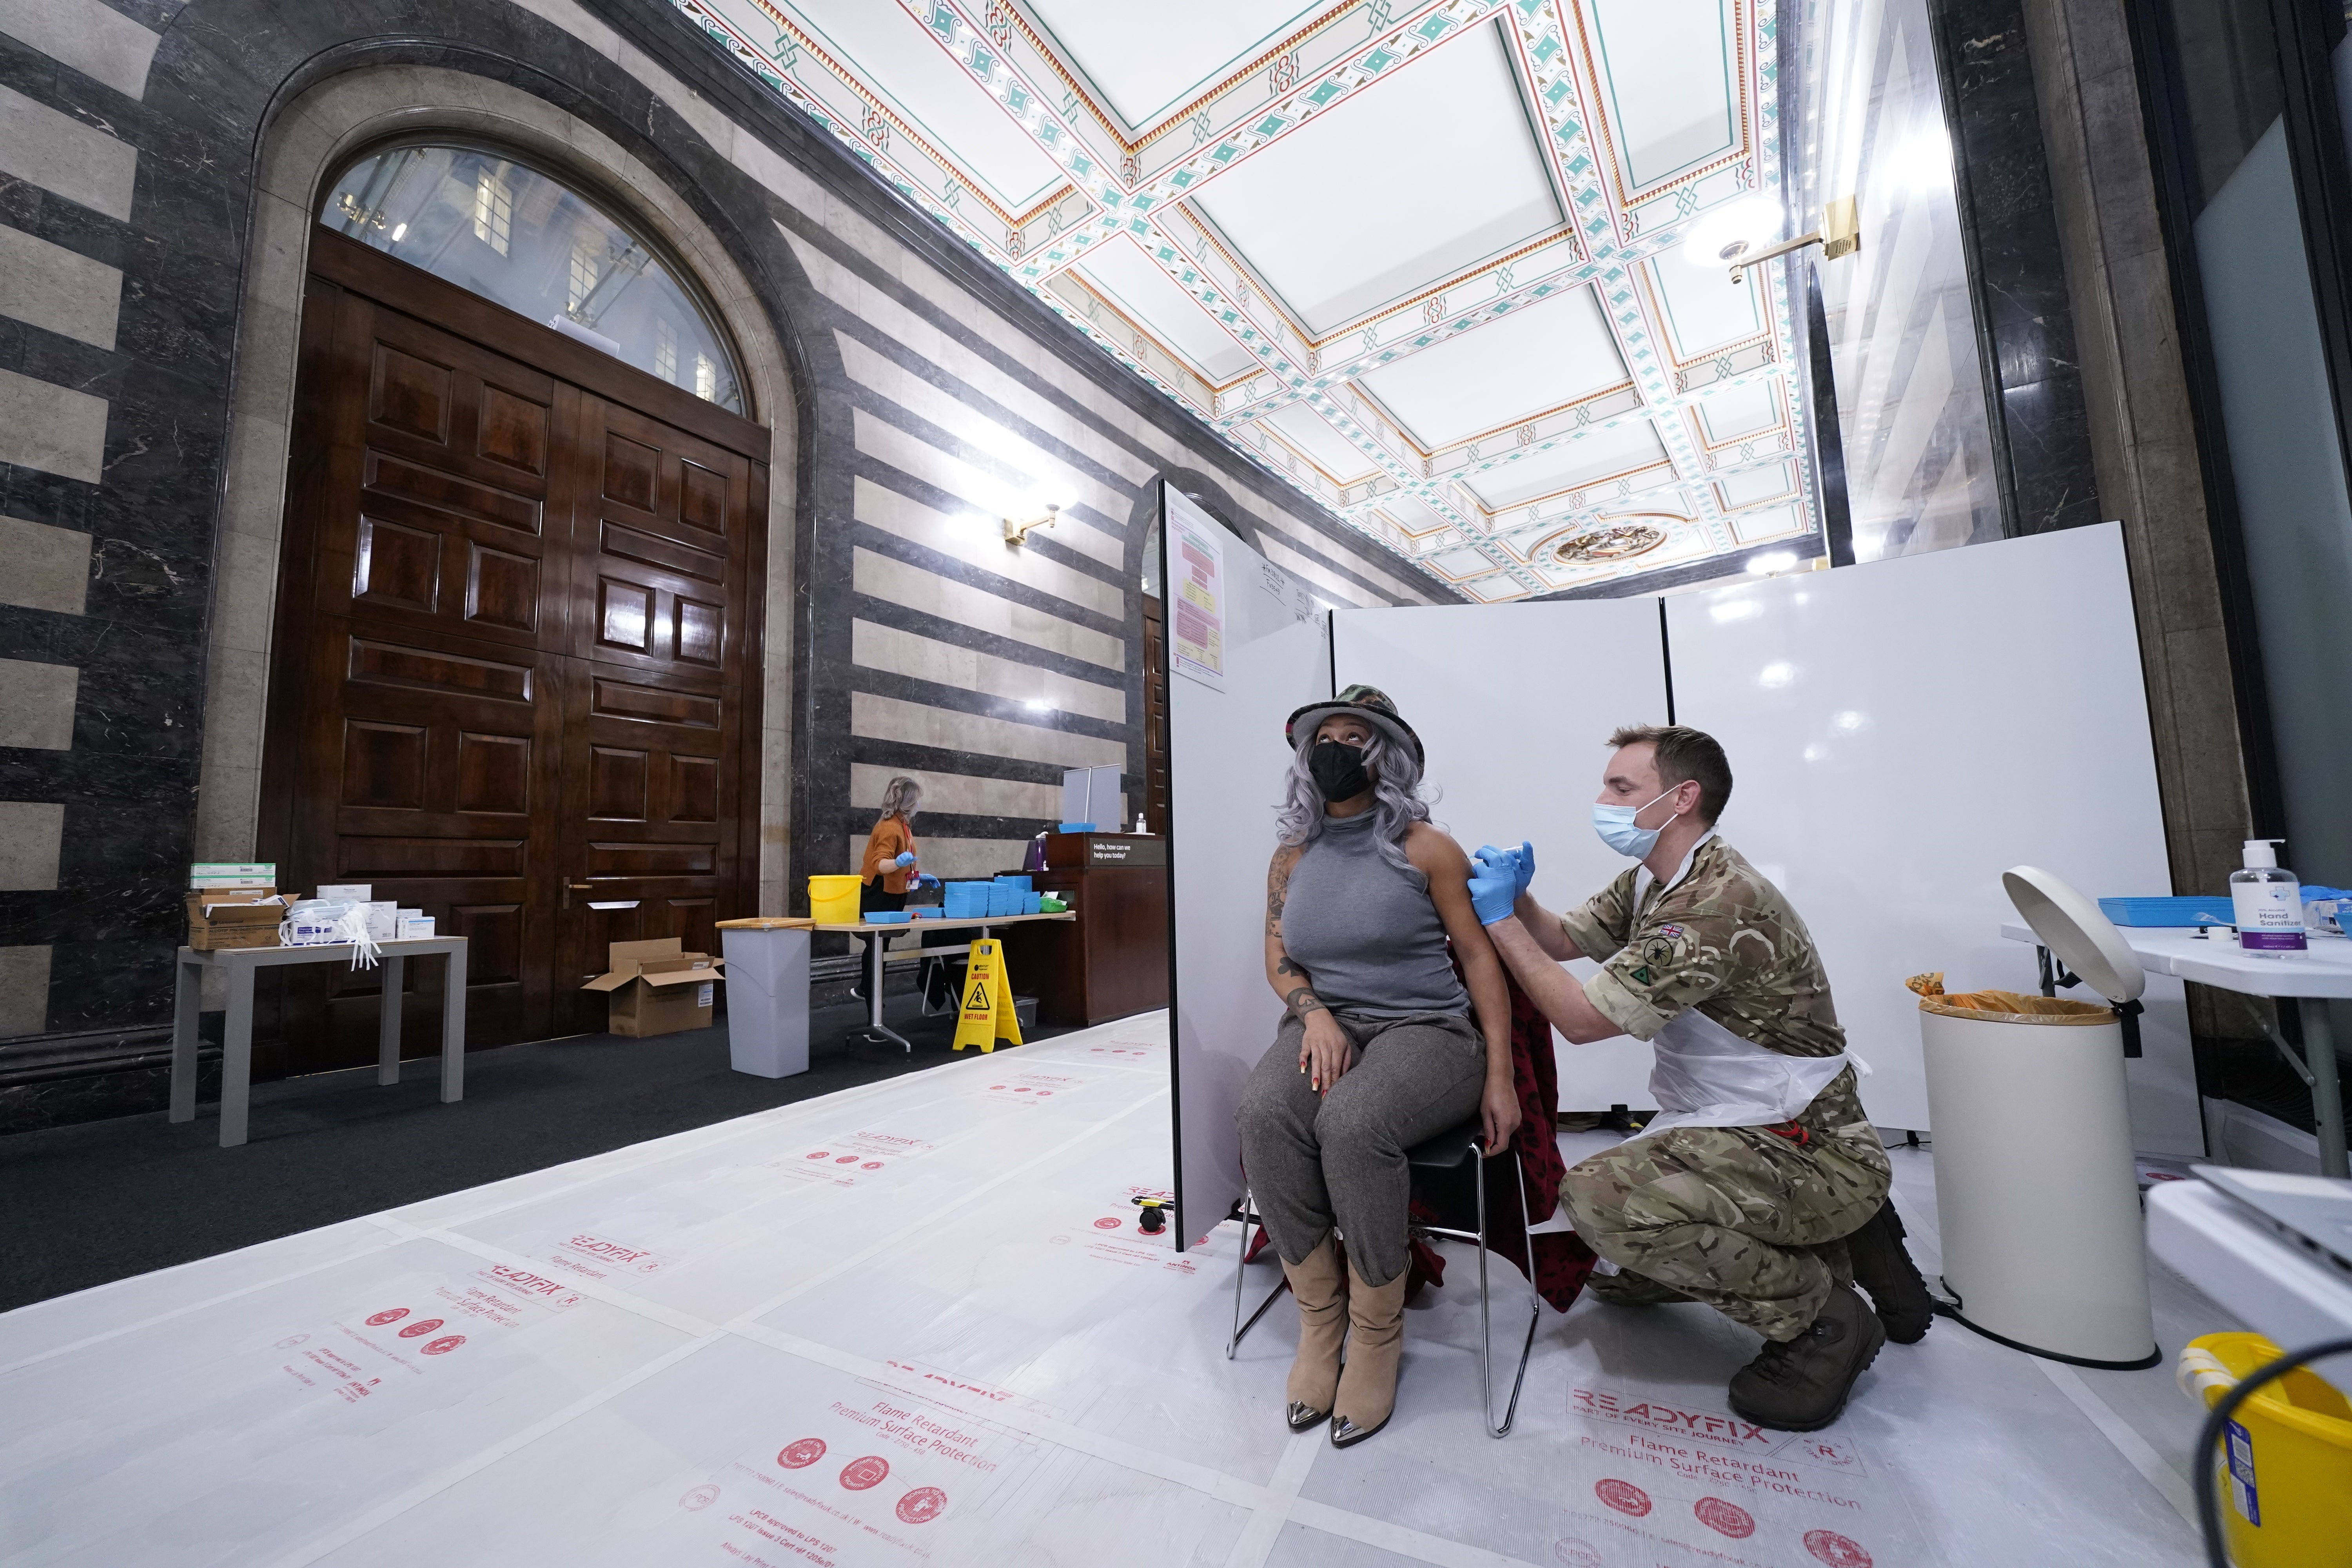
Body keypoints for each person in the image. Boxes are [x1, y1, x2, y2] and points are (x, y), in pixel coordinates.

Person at [1465, 724, 1927, 1433]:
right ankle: (1834, 1236)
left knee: (1600, 1203)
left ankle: (1824, 1319)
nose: (1603, 801)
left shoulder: (1714, 902)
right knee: (1624, 1276)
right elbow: (1566, 940)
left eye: (1622, 788)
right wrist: (1523, 901)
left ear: (1682, 798)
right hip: (1742, 1115)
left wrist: (1499, 923)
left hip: (1800, 1139)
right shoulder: (1657, 879)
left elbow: (1582, 1019)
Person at [1235, 685, 1519, 1449]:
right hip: (1330, 1026)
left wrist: (1500, 1075)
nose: (1335, 747)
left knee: (1355, 1124)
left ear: (1383, 753)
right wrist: (1316, 1012)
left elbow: (1479, 961)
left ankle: (1376, 1333)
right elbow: (1278, 954)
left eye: (1353, 735)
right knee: (1263, 1113)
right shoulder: (1291, 856)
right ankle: (1320, 1323)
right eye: (1324, 735)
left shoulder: (1427, 848)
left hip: (1429, 1032)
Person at [857, 775, 930, 917]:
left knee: (886, 938)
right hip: (879, 893)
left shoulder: (902, 825)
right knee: (878, 938)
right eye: (917, 800)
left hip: (894, 893)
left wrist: (916, 877)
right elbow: (880, 865)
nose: (919, 805)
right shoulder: (889, 828)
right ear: (908, 803)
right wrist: (897, 863)